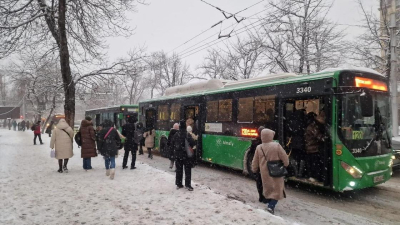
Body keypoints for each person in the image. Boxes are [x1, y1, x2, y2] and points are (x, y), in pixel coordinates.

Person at [252, 128, 289, 215]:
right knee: (277, 189)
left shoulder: (259, 147)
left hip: (265, 173)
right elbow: (285, 158)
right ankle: (271, 206)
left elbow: (255, 161)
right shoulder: (276, 146)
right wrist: (286, 164)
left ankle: (269, 202)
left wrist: (254, 169)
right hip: (276, 171)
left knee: (268, 188)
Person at [173, 120, 195, 191]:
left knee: (179, 170)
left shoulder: (176, 134)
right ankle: (188, 185)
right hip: (186, 156)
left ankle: (179, 184)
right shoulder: (187, 134)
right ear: (185, 126)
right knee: (187, 170)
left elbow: (172, 143)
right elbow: (192, 143)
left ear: (179, 126)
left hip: (178, 155)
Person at [304, 112, 325, 182]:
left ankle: (314, 176)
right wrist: (326, 138)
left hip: (313, 148)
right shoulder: (312, 127)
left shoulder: (313, 126)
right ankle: (313, 176)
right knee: (314, 164)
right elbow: (319, 137)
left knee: (314, 163)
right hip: (312, 149)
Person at [287, 109, 307, 178]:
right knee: (301, 158)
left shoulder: (292, 122)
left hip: (294, 143)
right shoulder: (303, 122)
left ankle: (295, 172)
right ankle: (300, 173)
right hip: (301, 143)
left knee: (294, 157)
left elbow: (290, 132)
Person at [251, 126, 266, 203]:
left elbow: (253, 157)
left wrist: (254, 169)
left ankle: (261, 196)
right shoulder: (268, 143)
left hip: (259, 166)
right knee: (266, 182)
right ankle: (266, 197)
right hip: (266, 166)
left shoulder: (255, 142)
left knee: (259, 181)